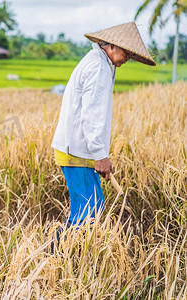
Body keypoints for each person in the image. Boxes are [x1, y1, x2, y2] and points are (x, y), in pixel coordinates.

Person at [51, 22, 156, 226]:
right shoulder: (98, 68)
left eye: (132, 55)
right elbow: (91, 116)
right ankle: (55, 254)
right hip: (76, 150)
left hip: (77, 148)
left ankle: (68, 255)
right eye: (127, 52)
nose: (128, 58)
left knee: (92, 209)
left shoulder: (98, 62)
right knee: (88, 213)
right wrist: (100, 156)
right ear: (112, 45)